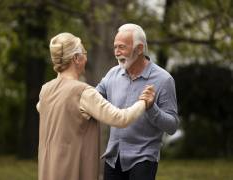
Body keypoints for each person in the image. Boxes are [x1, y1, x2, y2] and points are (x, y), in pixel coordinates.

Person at [36, 32, 155, 180]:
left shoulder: (45, 91)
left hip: (49, 171)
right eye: (84, 53)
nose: (86, 58)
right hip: (72, 171)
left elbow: (41, 108)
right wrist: (144, 102)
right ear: (76, 58)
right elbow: (121, 118)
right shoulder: (83, 92)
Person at [96, 24, 179, 180]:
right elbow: (92, 98)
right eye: (115, 47)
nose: (116, 52)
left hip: (144, 159)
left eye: (122, 47)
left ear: (139, 49)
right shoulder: (112, 74)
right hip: (113, 158)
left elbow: (172, 126)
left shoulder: (164, 79)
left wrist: (151, 108)